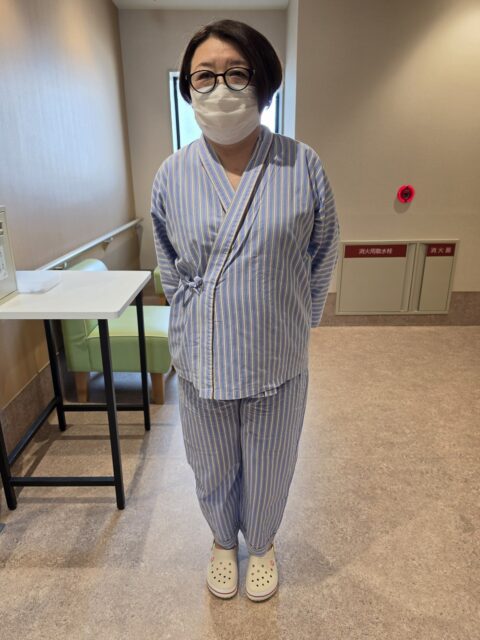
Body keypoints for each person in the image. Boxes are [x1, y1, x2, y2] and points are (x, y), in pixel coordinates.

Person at [150, 19, 339, 602]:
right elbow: (168, 264)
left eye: (236, 73)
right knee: (211, 464)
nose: (219, 88)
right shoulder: (172, 174)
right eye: (203, 76)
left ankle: (261, 544)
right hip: (203, 354)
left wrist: (297, 318)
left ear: (262, 81)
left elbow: (323, 248)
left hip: (276, 352)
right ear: (188, 88)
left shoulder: (301, 164)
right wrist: (194, 315)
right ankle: (220, 542)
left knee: (270, 461)